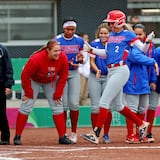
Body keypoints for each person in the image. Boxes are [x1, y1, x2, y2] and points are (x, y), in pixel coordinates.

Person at [80, 10, 157, 144]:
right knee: (118, 105)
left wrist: (148, 42)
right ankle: (141, 124)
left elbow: (142, 50)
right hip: (112, 70)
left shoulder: (128, 34)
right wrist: (92, 50)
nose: (109, 25)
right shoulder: (111, 36)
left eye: (111, 22)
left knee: (103, 102)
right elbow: (106, 52)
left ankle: (96, 133)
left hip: (121, 69)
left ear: (119, 22)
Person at [13, 39, 73, 145]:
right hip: (33, 79)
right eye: (55, 51)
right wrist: (28, 92)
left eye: (59, 50)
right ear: (48, 51)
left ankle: (62, 137)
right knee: (26, 106)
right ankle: (17, 136)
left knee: (57, 106)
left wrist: (58, 93)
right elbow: (25, 75)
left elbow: (63, 76)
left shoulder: (63, 58)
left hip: (50, 80)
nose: (58, 53)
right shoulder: (36, 59)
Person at [123, 23, 157, 144]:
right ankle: (130, 134)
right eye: (135, 34)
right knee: (132, 109)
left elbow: (150, 66)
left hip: (144, 82)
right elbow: (136, 57)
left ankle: (139, 134)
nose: (138, 36)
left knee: (142, 109)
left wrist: (153, 80)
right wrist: (153, 61)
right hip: (132, 82)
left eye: (140, 34)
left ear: (144, 35)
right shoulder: (130, 47)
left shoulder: (150, 48)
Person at [55, 17, 84, 143]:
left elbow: (83, 58)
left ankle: (73, 132)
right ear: (63, 28)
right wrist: (64, 62)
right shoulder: (57, 40)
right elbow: (53, 56)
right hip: (61, 74)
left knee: (74, 103)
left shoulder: (79, 41)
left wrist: (80, 60)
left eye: (73, 29)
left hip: (73, 73)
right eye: (68, 29)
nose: (70, 32)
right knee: (63, 104)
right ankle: (63, 133)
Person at [89, 23, 112, 143]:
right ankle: (95, 133)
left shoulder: (113, 45)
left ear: (110, 34)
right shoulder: (94, 44)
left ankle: (106, 134)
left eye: (106, 33)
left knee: (107, 107)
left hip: (109, 77)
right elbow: (91, 61)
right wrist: (97, 69)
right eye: (101, 33)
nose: (103, 35)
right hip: (95, 76)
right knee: (95, 107)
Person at [0, 45, 14, 145]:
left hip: (0, 85)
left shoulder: (2, 50)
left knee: (1, 113)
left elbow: (8, 67)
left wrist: (8, 85)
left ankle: (5, 137)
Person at [146, 46, 160, 143]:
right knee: (152, 106)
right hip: (158, 81)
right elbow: (154, 66)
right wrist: (154, 81)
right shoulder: (158, 51)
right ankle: (148, 132)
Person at [78, 32, 90, 106]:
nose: (87, 40)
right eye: (85, 38)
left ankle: (84, 107)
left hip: (87, 73)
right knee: (80, 92)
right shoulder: (78, 47)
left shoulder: (88, 48)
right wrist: (80, 71)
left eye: (87, 39)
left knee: (85, 94)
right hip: (80, 73)